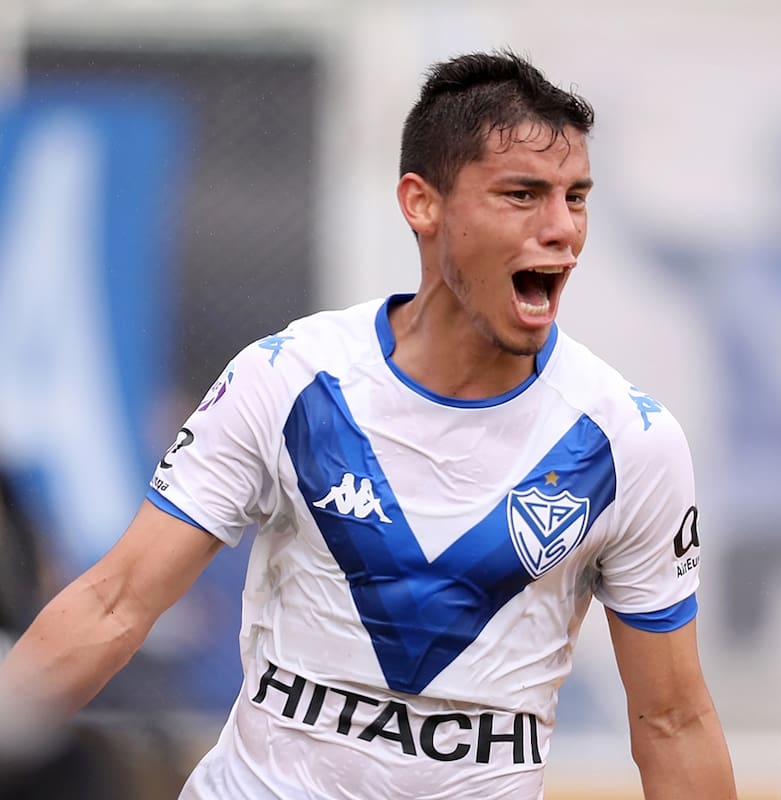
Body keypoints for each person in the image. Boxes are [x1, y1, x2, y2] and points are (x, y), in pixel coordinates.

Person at [0, 50, 737, 799]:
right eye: (523, 194)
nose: (561, 230)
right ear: (422, 203)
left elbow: (672, 719)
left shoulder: (630, 441)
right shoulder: (289, 380)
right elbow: (114, 602)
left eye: (575, 198)